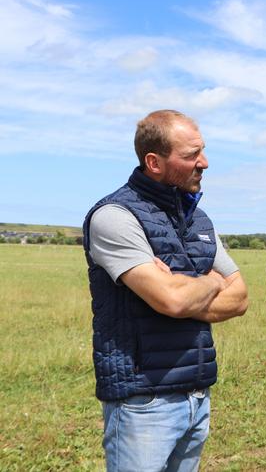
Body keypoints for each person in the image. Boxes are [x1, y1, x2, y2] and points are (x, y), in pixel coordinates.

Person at [82, 110, 249, 471]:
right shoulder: (115, 216)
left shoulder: (198, 219)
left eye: (202, 151)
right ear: (154, 162)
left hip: (196, 394)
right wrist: (210, 281)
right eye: (191, 155)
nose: (203, 163)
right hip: (143, 403)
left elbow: (241, 298)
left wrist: (181, 290)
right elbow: (172, 300)